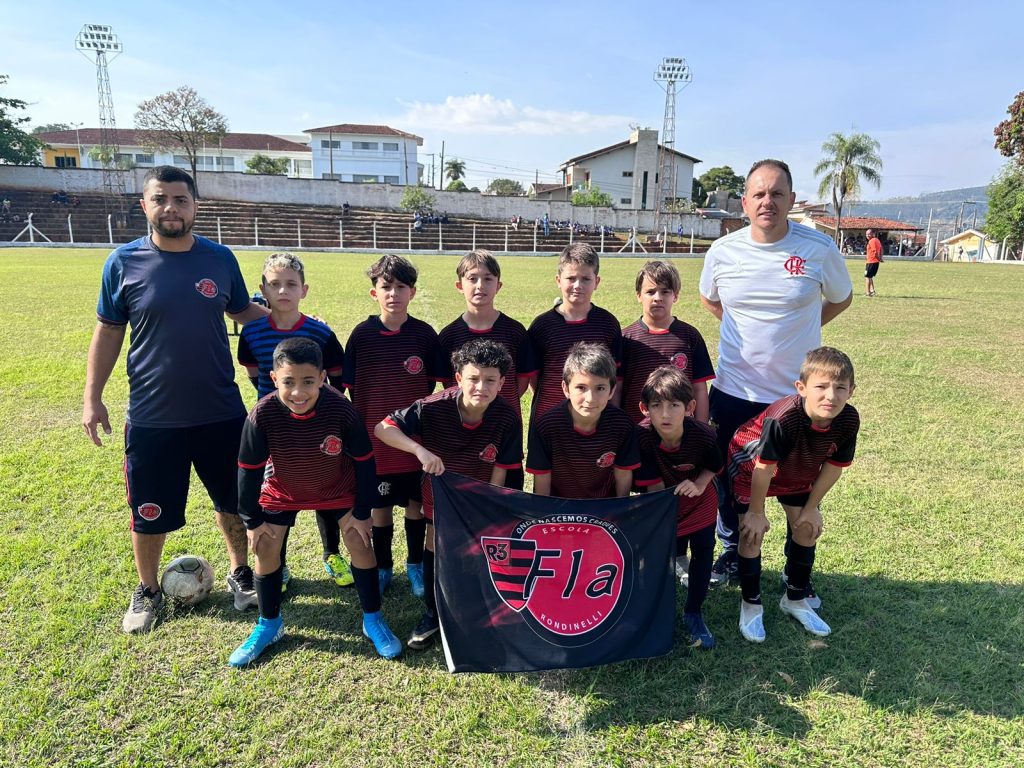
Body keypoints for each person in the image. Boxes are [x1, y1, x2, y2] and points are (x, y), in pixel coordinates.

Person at [82, 165, 268, 634]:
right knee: (148, 510)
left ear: (195, 206)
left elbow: (243, 309)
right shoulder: (122, 263)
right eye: (160, 199)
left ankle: (241, 573)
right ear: (144, 205)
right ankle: (147, 590)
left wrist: (292, 317)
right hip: (152, 415)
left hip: (221, 412)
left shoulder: (220, 258)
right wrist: (92, 397)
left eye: (180, 200)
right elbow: (107, 330)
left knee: (234, 502)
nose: (171, 208)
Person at [698, 159, 853, 588]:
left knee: (796, 480)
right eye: (759, 194)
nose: (768, 201)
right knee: (733, 481)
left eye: (777, 193)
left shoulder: (818, 249)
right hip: (735, 389)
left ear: (791, 199)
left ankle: (795, 568)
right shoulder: (722, 252)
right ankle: (732, 552)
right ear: (745, 202)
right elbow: (713, 301)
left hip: (795, 396)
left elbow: (840, 299)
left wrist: (804, 330)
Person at [230, 338, 401, 665]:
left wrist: (362, 512)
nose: (298, 392)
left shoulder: (342, 410)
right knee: (266, 547)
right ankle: (269, 625)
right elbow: (248, 471)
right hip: (283, 488)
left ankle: (373, 619)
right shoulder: (262, 414)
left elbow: (366, 463)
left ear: (323, 378)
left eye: (308, 382)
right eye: (288, 382)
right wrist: (252, 521)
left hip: (338, 486)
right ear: (274, 377)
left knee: (360, 543)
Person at [375, 339, 523, 650]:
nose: (480, 387)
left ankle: (478, 611)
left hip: (479, 495)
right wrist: (419, 450)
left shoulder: (508, 416)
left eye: (489, 380)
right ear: (458, 378)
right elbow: (383, 428)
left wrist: (488, 504)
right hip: (440, 493)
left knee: (478, 551)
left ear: (502, 383)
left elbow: (502, 466)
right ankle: (433, 612)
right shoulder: (431, 407)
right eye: (473, 378)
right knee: (436, 544)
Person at [236, 252, 354, 590]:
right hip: (274, 431)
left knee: (324, 486)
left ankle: (332, 554)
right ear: (263, 290)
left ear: (304, 289)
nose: (283, 291)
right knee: (276, 495)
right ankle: (279, 562)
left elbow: (336, 377)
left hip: (319, 428)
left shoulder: (321, 332)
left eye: (291, 284)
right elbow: (254, 372)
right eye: (275, 285)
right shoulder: (253, 332)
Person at [726, 347, 859, 643]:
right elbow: (763, 468)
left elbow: (834, 468)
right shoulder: (784, 417)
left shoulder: (848, 420)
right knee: (751, 533)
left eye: (840, 388)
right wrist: (756, 513)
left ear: (851, 390)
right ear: (801, 388)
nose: (831, 396)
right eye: (821, 387)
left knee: (807, 528)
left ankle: (795, 598)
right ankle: (750, 603)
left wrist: (812, 508)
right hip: (751, 467)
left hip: (797, 469)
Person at [343, 254, 440, 599]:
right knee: (379, 507)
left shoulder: (425, 336)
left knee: (416, 504)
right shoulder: (362, 336)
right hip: (375, 442)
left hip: (414, 441)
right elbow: (349, 388)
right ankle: (384, 565)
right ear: (374, 293)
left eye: (401, 287)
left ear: (412, 293)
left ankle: (415, 564)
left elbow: (437, 389)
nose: (393, 293)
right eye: (386, 287)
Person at [634, 366, 723, 649]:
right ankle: (653, 614)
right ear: (644, 408)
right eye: (656, 406)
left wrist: (699, 484)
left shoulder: (704, 435)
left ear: (690, 407)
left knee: (703, 552)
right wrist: (663, 517)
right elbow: (652, 485)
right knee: (656, 556)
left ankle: (694, 612)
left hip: (700, 501)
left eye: (674, 405)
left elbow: (715, 465)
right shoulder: (641, 436)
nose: (665, 414)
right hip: (661, 502)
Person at [437, 249, 535, 489]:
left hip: (505, 428)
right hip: (465, 430)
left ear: (498, 286)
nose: (480, 285)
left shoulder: (515, 331)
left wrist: (499, 401)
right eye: (472, 278)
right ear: (459, 285)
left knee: (508, 497)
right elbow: (448, 384)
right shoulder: (449, 335)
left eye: (488, 278)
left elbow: (521, 381)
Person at [527, 342, 639, 499]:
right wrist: (546, 516)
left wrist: (620, 512)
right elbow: (542, 480)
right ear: (566, 389)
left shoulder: (622, 425)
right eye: (581, 387)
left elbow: (623, 476)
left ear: (612, 390)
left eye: (600, 388)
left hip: (605, 508)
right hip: (559, 508)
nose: (590, 399)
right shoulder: (547, 426)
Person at [527, 243, 622, 427]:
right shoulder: (542, 326)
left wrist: (612, 415)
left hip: (594, 419)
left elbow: (616, 377)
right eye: (571, 278)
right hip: (549, 419)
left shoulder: (607, 324)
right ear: (558, 280)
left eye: (586, 279)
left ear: (597, 281)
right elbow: (534, 378)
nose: (578, 285)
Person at [620, 260, 715, 424]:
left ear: (675, 295)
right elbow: (617, 389)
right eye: (650, 292)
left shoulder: (690, 336)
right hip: (637, 431)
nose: (658, 298)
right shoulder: (626, 338)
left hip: (681, 433)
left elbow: (699, 388)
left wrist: (701, 429)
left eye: (665, 292)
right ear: (638, 295)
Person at [865, 229, 883, 296]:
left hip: (871, 262)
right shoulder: (877, 240)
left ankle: (868, 293)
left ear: (873, 234)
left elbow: (875, 251)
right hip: (874, 262)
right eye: (866, 234)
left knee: (867, 277)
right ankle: (872, 291)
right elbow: (881, 249)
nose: (867, 235)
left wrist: (879, 258)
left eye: (869, 234)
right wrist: (880, 258)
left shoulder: (872, 241)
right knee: (870, 277)